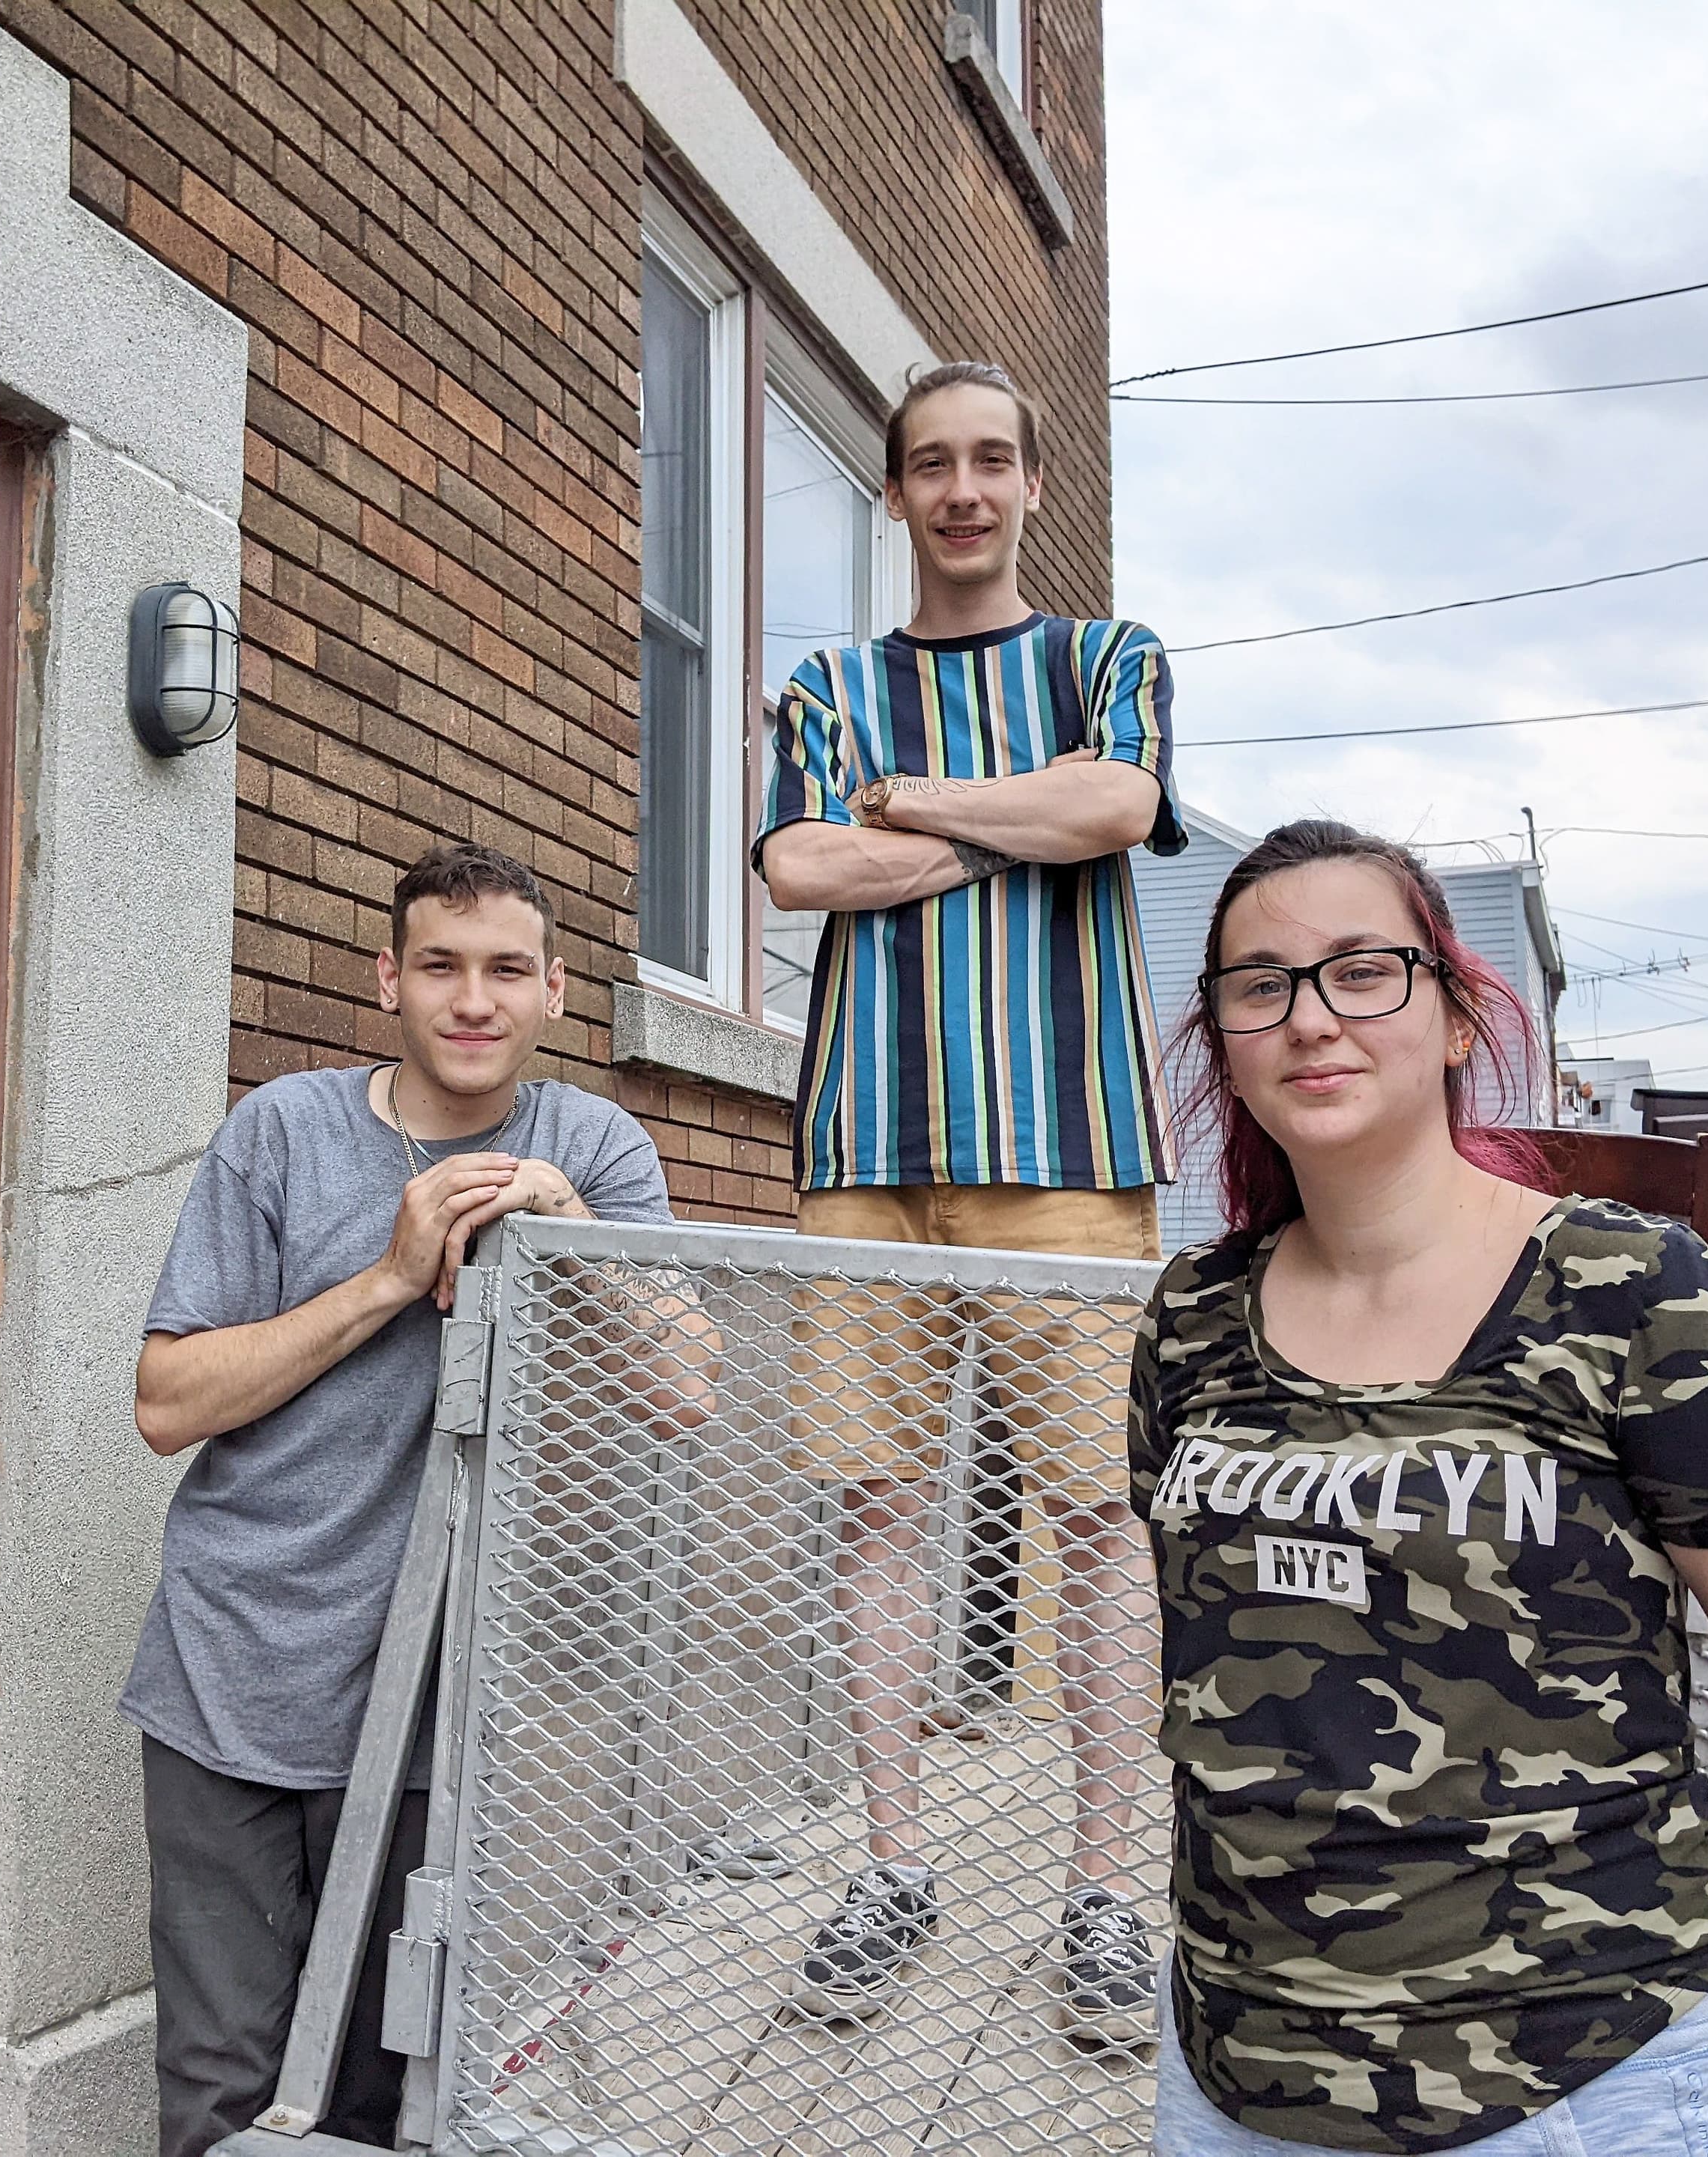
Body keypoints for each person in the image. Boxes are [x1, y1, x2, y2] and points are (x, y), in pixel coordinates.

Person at [1131, 819, 1708, 2155]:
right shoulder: (1193, 1318)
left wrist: (1701, 2002)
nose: (1312, 1017)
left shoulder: (1630, 1289)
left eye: (1362, 969)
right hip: (1233, 2081)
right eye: (1260, 985)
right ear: (1224, 1042)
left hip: (1577, 2091)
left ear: (1450, 1012)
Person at [754, 359, 1188, 2043]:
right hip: (867, 1155)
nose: (962, 489)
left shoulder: (1106, 661)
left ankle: (1098, 1895)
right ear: (895, 492)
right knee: (876, 1510)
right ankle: (894, 1867)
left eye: (991, 460)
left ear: (1027, 482)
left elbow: (1123, 804)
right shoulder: (829, 679)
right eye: (930, 463)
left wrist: (920, 808)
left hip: (1072, 1158)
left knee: (1099, 1525)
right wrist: (1030, 826)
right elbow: (798, 866)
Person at [123, 844, 674, 2156]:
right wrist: (389, 1273)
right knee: (220, 2085)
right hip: (233, 1664)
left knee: (386, 2089)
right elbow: (164, 1402)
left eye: (504, 971)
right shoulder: (284, 1131)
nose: (471, 1000)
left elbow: (688, 1385)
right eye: (440, 965)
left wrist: (565, 1220)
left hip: (444, 1692)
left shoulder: (593, 1142)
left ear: (553, 990)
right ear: (389, 980)